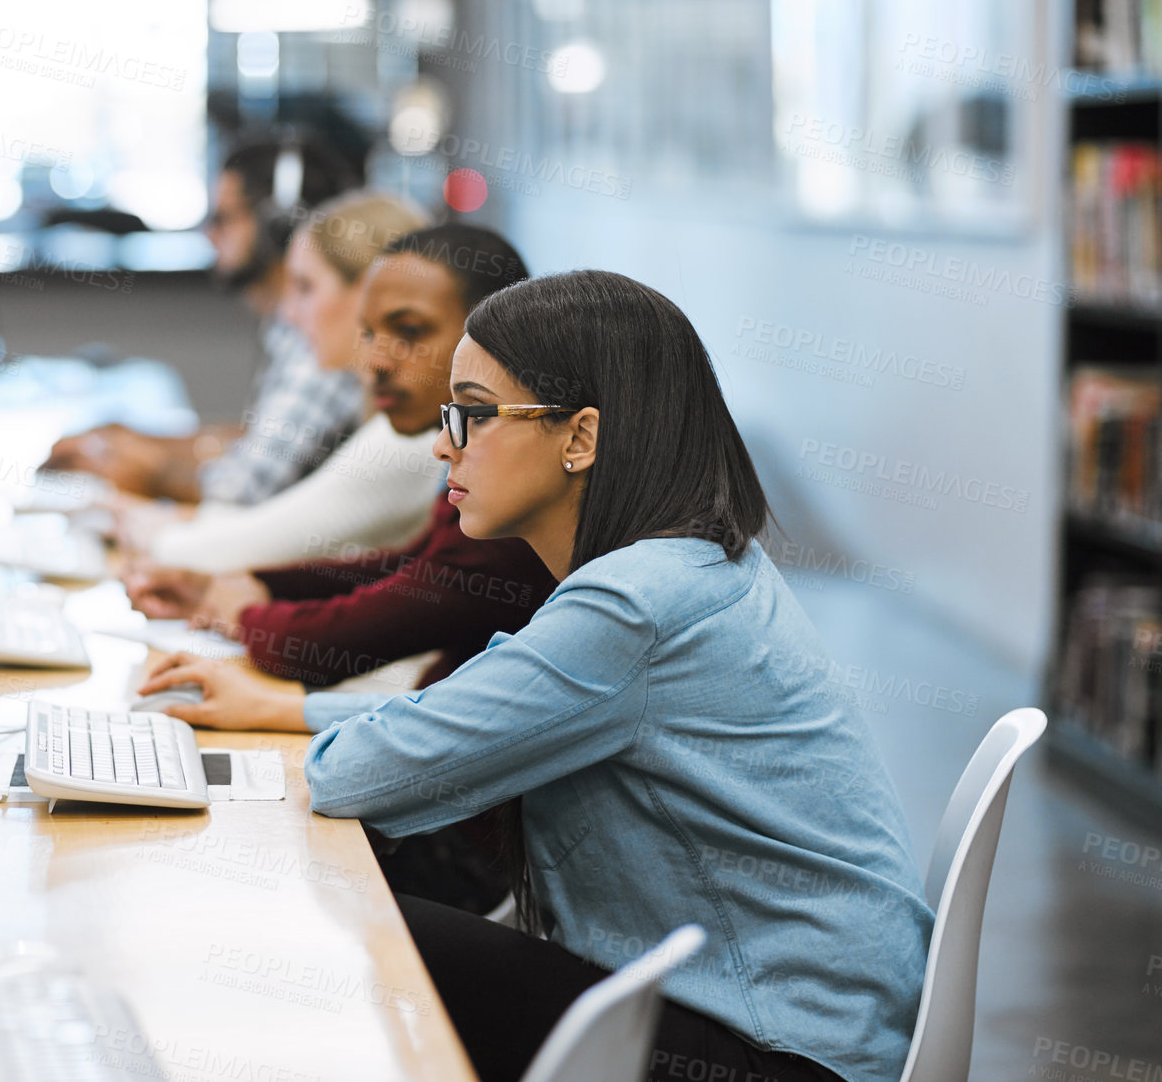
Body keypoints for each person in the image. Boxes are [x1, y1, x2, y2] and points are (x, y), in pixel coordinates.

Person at [271, 270, 929, 1082]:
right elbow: (453, 721)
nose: (443, 444)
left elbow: (355, 774)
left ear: (580, 437)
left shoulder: (634, 605)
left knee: (339, 922)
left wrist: (293, 724)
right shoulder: (690, 563)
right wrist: (295, 712)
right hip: (808, 1023)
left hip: (778, 1054)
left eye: (472, 414)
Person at [129, 225, 558, 913]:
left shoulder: (501, 477)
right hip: (436, 779)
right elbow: (417, 570)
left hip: (465, 832)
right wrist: (263, 590)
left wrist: (247, 618)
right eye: (369, 333)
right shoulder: (458, 451)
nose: (376, 361)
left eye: (409, 330)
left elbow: (395, 611)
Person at [46, 137, 364, 504]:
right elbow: (256, 440)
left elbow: (242, 490)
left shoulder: (319, 342)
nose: (208, 235)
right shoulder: (291, 328)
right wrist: (137, 440)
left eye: (222, 218)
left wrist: (134, 463)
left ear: (278, 226)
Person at [140, 190, 437, 573]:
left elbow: (247, 546)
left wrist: (141, 529)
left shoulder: (410, 436)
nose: (290, 315)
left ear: (371, 292)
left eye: (305, 288)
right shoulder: (385, 416)